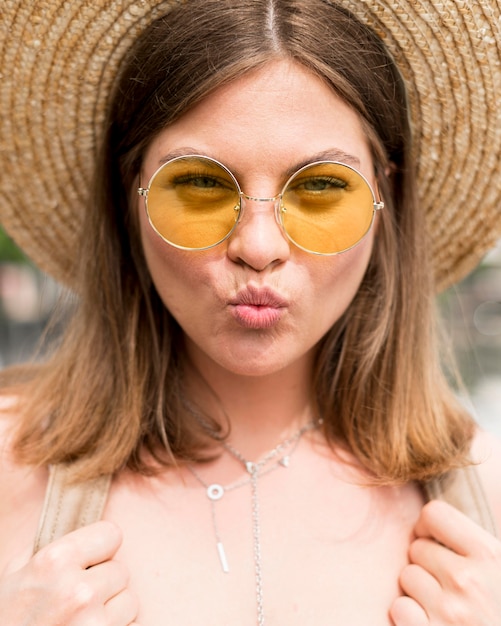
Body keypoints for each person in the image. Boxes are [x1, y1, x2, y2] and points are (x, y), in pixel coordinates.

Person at [0, 0, 501, 624]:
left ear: (386, 201)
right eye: (202, 185)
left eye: (320, 187)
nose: (259, 248)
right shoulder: (10, 469)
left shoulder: (487, 498)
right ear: (129, 198)